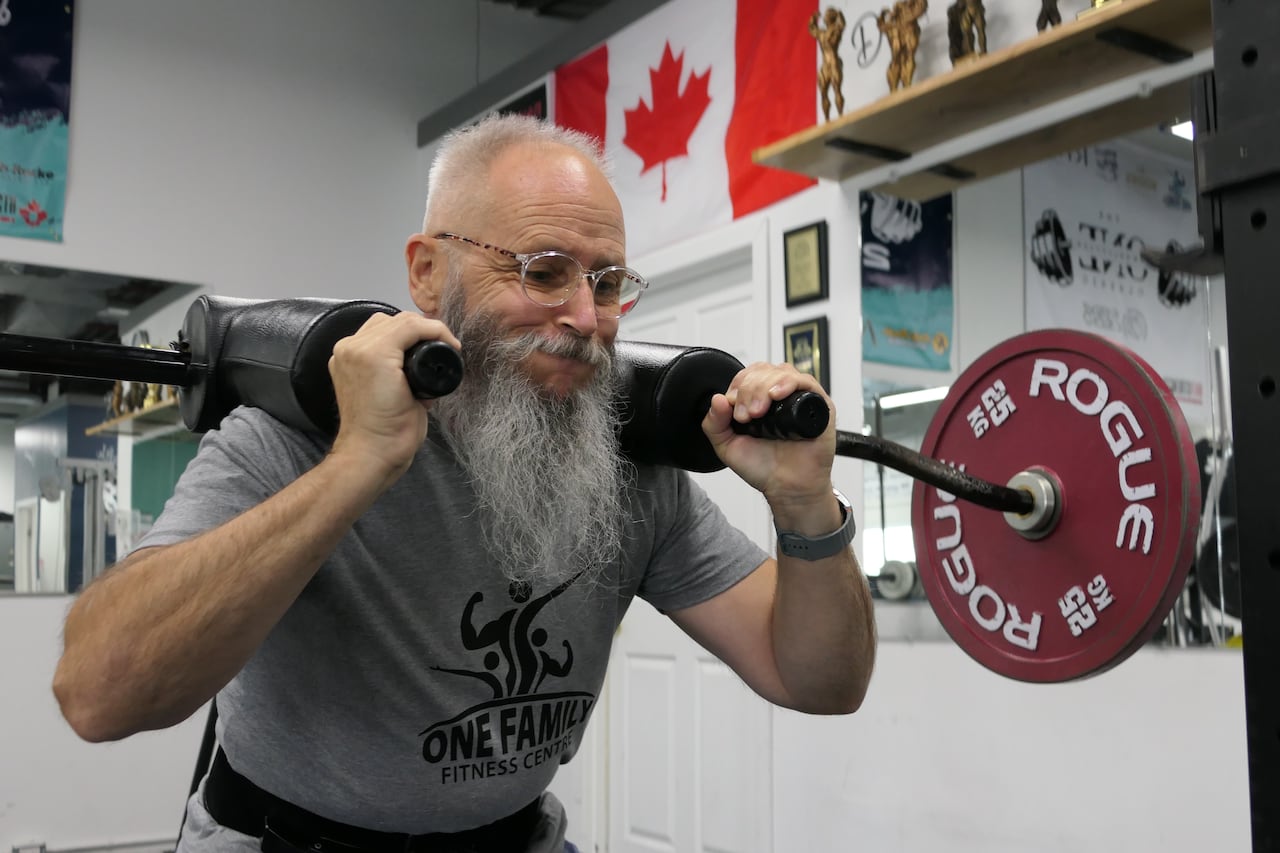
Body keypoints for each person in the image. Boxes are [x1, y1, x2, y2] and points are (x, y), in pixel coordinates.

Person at [52, 114, 877, 853]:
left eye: (608, 282)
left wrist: (803, 503)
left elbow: (818, 680)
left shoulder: (626, 468)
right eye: (545, 271)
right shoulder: (290, 441)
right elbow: (97, 696)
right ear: (425, 272)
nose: (585, 318)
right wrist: (358, 466)